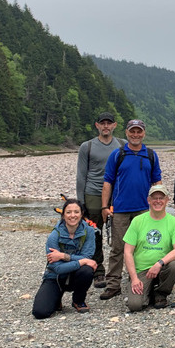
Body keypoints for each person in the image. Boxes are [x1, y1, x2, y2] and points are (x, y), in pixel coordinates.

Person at [100, 119, 163, 300]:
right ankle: (113, 284)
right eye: (132, 131)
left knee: (144, 248)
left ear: (144, 133)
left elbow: (157, 181)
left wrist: (159, 203)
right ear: (127, 133)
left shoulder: (150, 155)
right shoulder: (117, 154)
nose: (136, 135)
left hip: (144, 210)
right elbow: (107, 182)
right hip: (120, 209)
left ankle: (141, 281)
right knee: (118, 247)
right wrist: (105, 206)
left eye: (139, 131)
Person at [76, 112, 125, 288]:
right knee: (95, 232)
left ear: (114, 125)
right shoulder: (87, 146)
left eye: (109, 123)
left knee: (120, 232)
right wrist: (80, 202)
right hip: (93, 193)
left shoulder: (122, 145)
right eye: (102, 123)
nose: (106, 126)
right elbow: (81, 176)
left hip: (117, 194)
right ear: (97, 125)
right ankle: (98, 270)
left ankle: (120, 269)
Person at [32, 199, 98, 319]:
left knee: (87, 270)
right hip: (55, 277)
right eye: (68, 212)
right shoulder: (54, 235)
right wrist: (81, 261)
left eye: (76, 212)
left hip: (76, 275)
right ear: (63, 215)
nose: (73, 215)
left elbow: (87, 257)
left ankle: (78, 300)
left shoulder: (89, 231)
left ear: (81, 214)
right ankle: (57, 298)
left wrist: (63, 256)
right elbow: (56, 267)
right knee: (40, 312)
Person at [123, 184, 175, 312]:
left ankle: (161, 293)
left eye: (161, 198)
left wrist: (159, 263)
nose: (158, 201)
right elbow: (128, 252)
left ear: (167, 200)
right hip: (142, 270)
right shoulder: (137, 221)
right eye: (154, 198)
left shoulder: (174, 222)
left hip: (162, 267)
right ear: (148, 200)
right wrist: (134, 278)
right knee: (135, 306)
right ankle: (149, 291)